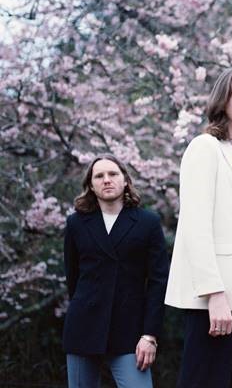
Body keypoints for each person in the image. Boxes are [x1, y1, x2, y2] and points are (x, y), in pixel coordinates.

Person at [165, 67, 232, 388]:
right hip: (215, 299)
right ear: (221, 101)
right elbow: (195, 226)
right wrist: (215, 295)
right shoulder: (204, 147)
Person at [63, 154, 169, 388]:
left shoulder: (148, 222)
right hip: (84, 326)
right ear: (91, 185)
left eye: (113, 174)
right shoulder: (76, 223)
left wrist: (149, 335)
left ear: (125, 180)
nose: (106, 180)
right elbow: (73, 278)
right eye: (99, 176)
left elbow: (158, 282)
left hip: (131, 331)